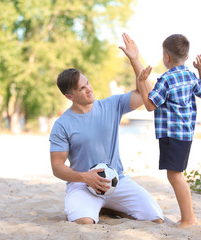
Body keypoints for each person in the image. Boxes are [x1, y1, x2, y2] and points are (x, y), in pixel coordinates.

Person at [49, 33, 164, 224]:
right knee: (84, 223)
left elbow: (144, 95)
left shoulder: (112, 105)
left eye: (87, 83)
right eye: (82, 88)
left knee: (155, 219)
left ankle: (110, 206)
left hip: (117, 181)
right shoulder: (62, 125)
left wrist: (135, 60)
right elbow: (57, 167)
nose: (89, 89)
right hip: (82, 185)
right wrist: (85, 177)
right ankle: (96, 207)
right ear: (70, 96)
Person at [136, 34, 201, 228]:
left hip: (171, 134)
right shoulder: (190, 75)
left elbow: (150, 105)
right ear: (186, 57)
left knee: (175, 176)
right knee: (177, 174)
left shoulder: (166, 79)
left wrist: (142, 82)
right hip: (185, 134)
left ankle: (189, 218)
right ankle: (188, 217)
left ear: (166, 57)